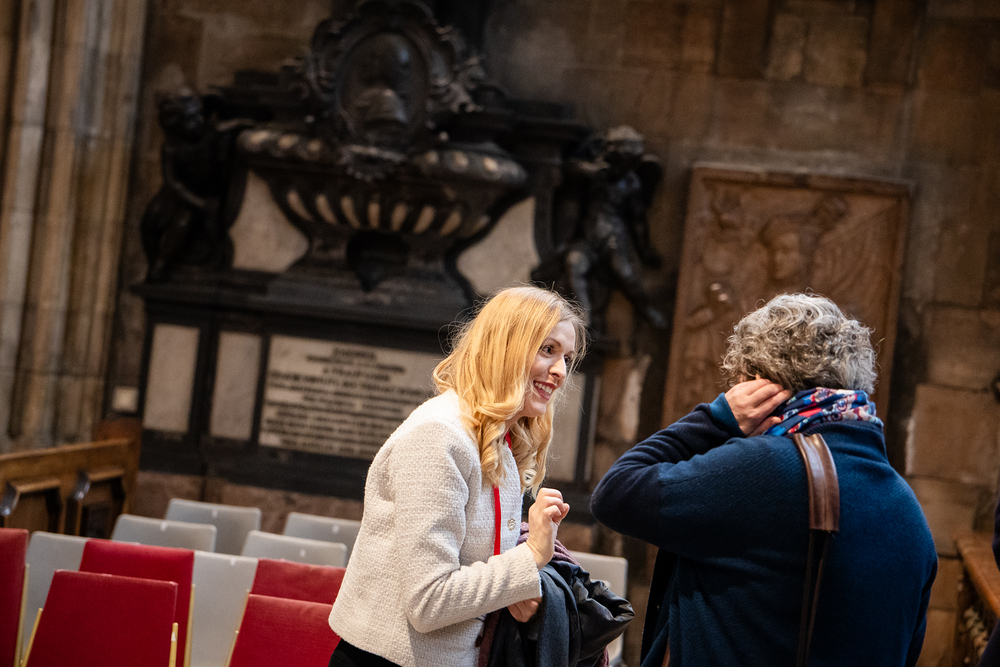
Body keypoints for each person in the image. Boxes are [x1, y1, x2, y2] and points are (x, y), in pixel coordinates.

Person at [591, 293, 937, 666]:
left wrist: (717, 418)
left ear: (756, 383)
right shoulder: (909, 513)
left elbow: (616, 492)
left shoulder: (762, 469)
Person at [328, 286, 586, 667]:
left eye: (567, 357)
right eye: (547, 350)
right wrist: (529, 557)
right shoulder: (439, 435)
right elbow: (428, 601)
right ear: (505, 348)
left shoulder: (500, 438)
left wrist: (520, 588)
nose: (561, 372)